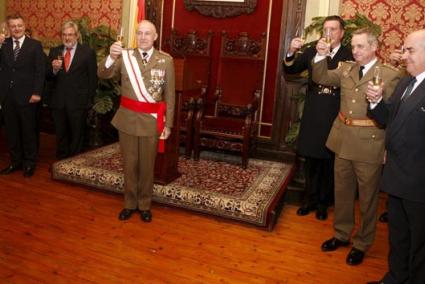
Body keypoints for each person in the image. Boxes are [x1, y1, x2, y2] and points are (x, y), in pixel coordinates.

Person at [312, 28, 401, 265]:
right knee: (342, 193)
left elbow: (392, 114)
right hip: (343, 141)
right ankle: (341, 234)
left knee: (368, 199)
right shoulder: (346, 68)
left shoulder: (390, 75)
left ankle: (362, 243)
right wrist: (320, 56)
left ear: (374, 47)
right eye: (353, 46)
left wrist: (387, 148)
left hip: (369, 145)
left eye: (361, 46)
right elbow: (320, 78)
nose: (355, 51)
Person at [98, 20, 175, 222]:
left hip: (151, 121)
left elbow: (170, 96)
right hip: (128, 120)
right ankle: (129, 204)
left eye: (147, 33)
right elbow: (103, 74)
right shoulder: (125, 57)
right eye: (139, 33)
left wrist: (168, 125)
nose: (142, 37)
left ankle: (145, 205)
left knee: (147, 166)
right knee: (129, 164)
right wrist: (111, 57)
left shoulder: (165, 61)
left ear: (155, 37)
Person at [365, 29, 425, 284]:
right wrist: (376, 103)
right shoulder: (406, 82)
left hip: (419, 182)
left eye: (410, 50)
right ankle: (394, 278)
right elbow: (388, 119)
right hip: (397, 176)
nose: (404, 56)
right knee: (398, 236)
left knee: (420, 245)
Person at [283, 15, 353, 220]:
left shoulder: (349, 55)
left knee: (328, 161)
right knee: (311, 158)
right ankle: (309, 199)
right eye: (325, 29)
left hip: (335, 111)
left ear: (342, 32)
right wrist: (291, 51)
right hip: (314, 110)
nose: (328, 33)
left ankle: (323, 203)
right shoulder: (314, 49)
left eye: (333, 29)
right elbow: (291, 70)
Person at [0, 14, 46, 177]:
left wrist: (37, 93)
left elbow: (40, 72)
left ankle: (29, 163)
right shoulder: (3, 45)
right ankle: (15, 162)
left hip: (28, 96)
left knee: (28, 131)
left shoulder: (35, 45)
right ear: (8, 28)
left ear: (24, 26)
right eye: (13, 26)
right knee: (11, 132)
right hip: (7, 96)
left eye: (19, 25)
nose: (17, 29)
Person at [46, 21, 97, 159]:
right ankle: (61, 163)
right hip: (58, 102)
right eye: (64, 35)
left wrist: (89, 102)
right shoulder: (54, 51)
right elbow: (47, 76)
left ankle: (74, 163)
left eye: (70, 35)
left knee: (77, 135)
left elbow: (93, 80)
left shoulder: (87, 53)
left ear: (77, 35)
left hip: (78, 103)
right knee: (61, 135)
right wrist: (54, 70)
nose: (67, 38)